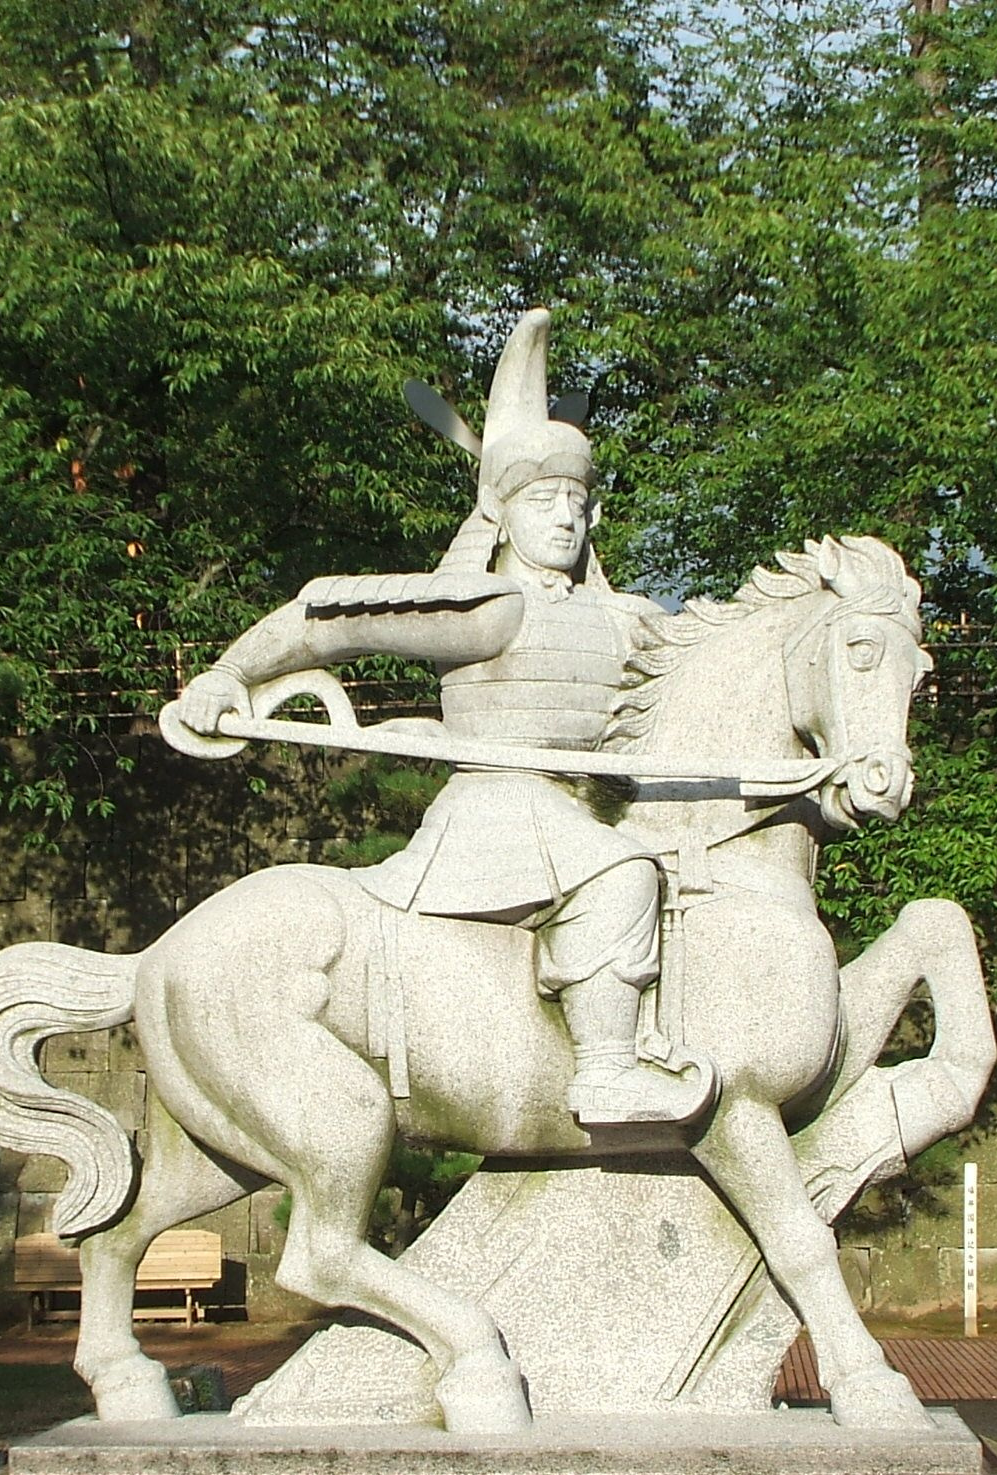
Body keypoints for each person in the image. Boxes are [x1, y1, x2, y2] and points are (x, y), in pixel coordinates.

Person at [172, 309, 707, 1128]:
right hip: (503, 807)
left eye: (578, 501)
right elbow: (328, 620)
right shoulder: (488, 608)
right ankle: (606, 1073)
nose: (566, 517)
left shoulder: (629, 617)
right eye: (545, 500)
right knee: (622, 874)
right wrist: (228, 672)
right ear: (504, 514)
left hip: (599, 804)